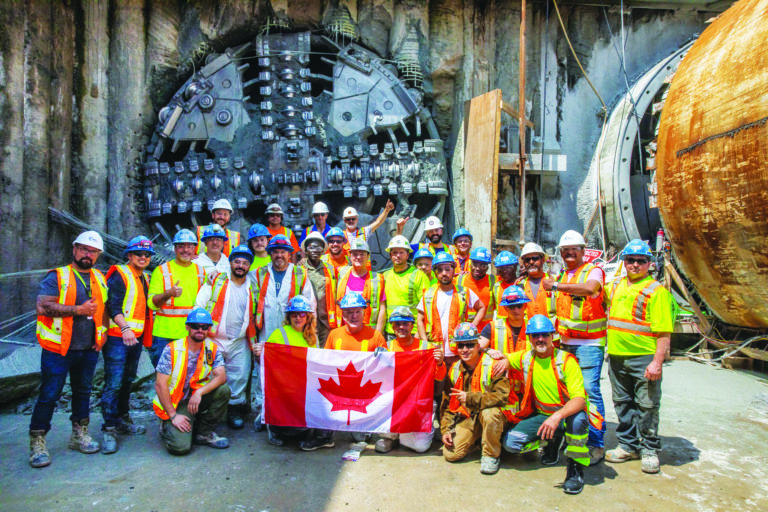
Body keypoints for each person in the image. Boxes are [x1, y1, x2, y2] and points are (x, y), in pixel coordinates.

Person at [30, 231, 108, 468]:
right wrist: (78, 310)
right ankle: (37, 442)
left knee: (83, 391)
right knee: (49, 394)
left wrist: (101, 335)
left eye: (93, 251)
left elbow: (103, 308)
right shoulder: (58, 276)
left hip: (88, 348)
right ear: (74, 249)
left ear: (98, 255)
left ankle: (79, 435)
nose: (88, 254)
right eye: (84, 249)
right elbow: (43, 307)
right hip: (58, 349)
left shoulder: (99, 277)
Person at [496, 315, 594, 495]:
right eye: (535, 336)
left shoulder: (566, 361)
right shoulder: (527, 357)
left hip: (568, 415)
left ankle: (575, 469)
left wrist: (557, 416)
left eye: (544, 335)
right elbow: (508, 358)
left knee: (578, 421)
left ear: (552, 336)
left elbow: (579, 400)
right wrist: (499, 358)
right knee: (511, 443)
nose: (540, 339)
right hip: (543, 415)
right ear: (530, 339)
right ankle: (553, 440)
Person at [605, 240, 675, 474]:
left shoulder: (657, 291)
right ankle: (628, 445)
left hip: (643, 357)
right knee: (623, 404)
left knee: (647, 405)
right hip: (616, 357)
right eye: (630, 260)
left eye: (640, 261)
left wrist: (657, 362)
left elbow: (663, 332)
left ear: (649, 263)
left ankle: (649, 450)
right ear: (624, 262)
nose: (635, 264)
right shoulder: (614, 287)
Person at [541, 230, 607, 465]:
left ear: (582, 250)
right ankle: (571, 438)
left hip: (589, 344)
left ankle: (596, 444)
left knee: (590, 392)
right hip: (566, 343)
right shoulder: (563, 274)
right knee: (568, 393)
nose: (569, 253)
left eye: (574, 249)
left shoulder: (593, 270)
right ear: (560, 253)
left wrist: (556, 286)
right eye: (565, 250)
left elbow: (590, 289)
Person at [300, 291, 388, 451]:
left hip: (363, 394)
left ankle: (361, 427)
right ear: (343, 314)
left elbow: (387, 372)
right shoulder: (334, 335)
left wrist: (385, 357)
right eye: (348, 312)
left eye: (357, 312)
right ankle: (324, 437)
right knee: (318, 393)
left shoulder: (375, 336)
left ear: (363, 313)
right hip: (339, 391)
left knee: (360, 436)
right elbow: (325, 366)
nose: (353, 316)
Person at [249, 234, 315, 430]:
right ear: (269, 254)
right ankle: (264, 413)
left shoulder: (300, 274)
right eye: (275, 252)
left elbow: (310, 304)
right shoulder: (258, 274)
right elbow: (248, 301)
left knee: (288, 374)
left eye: (283, 252)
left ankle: (286, 412)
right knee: (264, 373)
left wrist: (309, 332)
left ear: (289, 255)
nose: (279, 255)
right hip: (266, 329)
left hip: (292, 331)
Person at [100, 236, 154, 454]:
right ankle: (109, 428)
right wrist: (125, 328)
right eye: (138, 254)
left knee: (128, 379)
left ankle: (122, 418)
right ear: (129, 256)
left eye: (147, 254)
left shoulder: (145, 278)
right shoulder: (120, 274)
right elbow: (112, 306)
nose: (143, 257)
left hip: (135, 337)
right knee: (113, 382)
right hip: (117, 336)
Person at [195, 244, 257, 430]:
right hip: (214, 339)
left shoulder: (252, 286)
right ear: (229, 263)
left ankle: (233, 410)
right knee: (208, 374)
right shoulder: (217, 280)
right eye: (237, 261)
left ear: (249, 266)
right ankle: (207, 410)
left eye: (245, 263)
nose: (240, 266)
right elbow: (199, 304)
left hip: (239, 340)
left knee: (239, 375)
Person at [152, 308, 230, 455]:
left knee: (224, 390)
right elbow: (160, 384)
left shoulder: (211, 349)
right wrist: (173, 416)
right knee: (180, 447)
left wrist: (200, 392)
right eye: (195, 326)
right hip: (175, 402)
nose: (200, 330)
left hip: (195, 397)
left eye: (204, 327)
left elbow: (221, 376)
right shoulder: (172, 349)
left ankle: (203, 432)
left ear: (209, 329)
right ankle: (168, 423)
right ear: (187, 327)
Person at [440, 323, 513, 475]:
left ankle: (491, 455)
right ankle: (480, 439)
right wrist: (446, 429)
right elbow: (448, 404)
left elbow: (501, 396)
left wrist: (470, 398)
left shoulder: (493, 365)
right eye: (461, 346)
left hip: (495, 415)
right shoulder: (454, 369)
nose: (465, 350)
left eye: (469, 345)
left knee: (490, 414)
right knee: (451, 455)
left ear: (477, 345)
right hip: (470, 418)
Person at [375, 307, 445, 454]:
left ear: (412, 325)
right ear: (391, 327)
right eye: (397, 324)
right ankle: (389, 436)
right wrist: (376, 360)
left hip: (418, 401)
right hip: (394, 400)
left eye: (405, 323)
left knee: (420, 447)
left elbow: (439, 377)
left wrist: (439, 363)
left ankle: (418, 430)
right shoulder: (386, 348)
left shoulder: (426, 348)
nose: (401, 327)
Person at [255, 296, 318, 446]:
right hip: (282, 389)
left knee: (303, 427)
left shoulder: (311, 337)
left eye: (302, 314)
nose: (298, 317)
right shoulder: (279, 334)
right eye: (294, 314)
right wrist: (259, 354)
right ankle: (273, 426)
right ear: (288, 316)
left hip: (302, 387)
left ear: (308, 316)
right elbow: (264, 363)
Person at [147, 229, 206, 367]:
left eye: (189, 246)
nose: (185, 250)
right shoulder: (161, 271)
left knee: (188, 377)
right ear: (174, 248)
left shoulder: (201, 272)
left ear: (194, 248)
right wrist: (168, 293)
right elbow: (151, 303)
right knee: (164, 378)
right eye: (181, 246)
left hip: (191, 334)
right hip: (164, 335)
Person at [417, 252, 485, 368]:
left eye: (447, 269)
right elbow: (419, 319)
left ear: (453, 271)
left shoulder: (464, 292)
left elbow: (481, 307)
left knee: (456, 382)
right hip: (436, 351)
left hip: (458, 351)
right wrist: (425, 342)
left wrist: (472, 326)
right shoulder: (428, 294)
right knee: (438, 383)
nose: (444, 273)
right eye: (440, 270)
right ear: (435, 273)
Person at [382, 235, 429, 340]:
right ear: (390, 255)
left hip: (412, 332)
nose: (398, 256)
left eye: (401, 252)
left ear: (407, 255)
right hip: (391, 332)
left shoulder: (419, 276)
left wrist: (419, 332)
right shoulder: (385, 276)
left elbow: (427, 307)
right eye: (394, 252)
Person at [334, 239, 386, 333]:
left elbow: (382, 308)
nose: (358, 257)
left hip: (368, 332)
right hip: (344, 330)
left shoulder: (377, 279)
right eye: (355, 254)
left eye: (362, 254)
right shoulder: (340, 273)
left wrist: (378, 334)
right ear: (350, 256)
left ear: (368, 256)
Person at [299, 232, 338, 347]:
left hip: (326, 322)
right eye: (311, 247)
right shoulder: (298, 270)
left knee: (325, 354)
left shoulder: (330, 269)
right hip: (306, 321)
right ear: (305, 251)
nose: (315, 250)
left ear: (323, 251)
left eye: (318, 247)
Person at [479, 286, 530, 356]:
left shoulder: (532, 326)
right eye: (511, 307)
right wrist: (488, 350)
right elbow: (478, 346)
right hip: (500, 366)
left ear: (525, 306)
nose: (515, 310)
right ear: (506, 308)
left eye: (519, 306)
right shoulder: (492, 327)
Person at [456, 247, 496, 330]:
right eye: (475, 264)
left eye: (483, 265)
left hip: (486, 332)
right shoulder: (459, 280)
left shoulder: (494, 281)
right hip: (463, 330)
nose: (478, 268)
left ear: (488, 267)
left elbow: (510, 282)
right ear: (470, 264)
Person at [517, 242, 557, 326]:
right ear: (524, 263)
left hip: (551, 335)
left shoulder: (554, 281)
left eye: (535, 258)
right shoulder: (519, 285)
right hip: (529, 335)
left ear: (542, 260)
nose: (531, 262)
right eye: (527, 260)